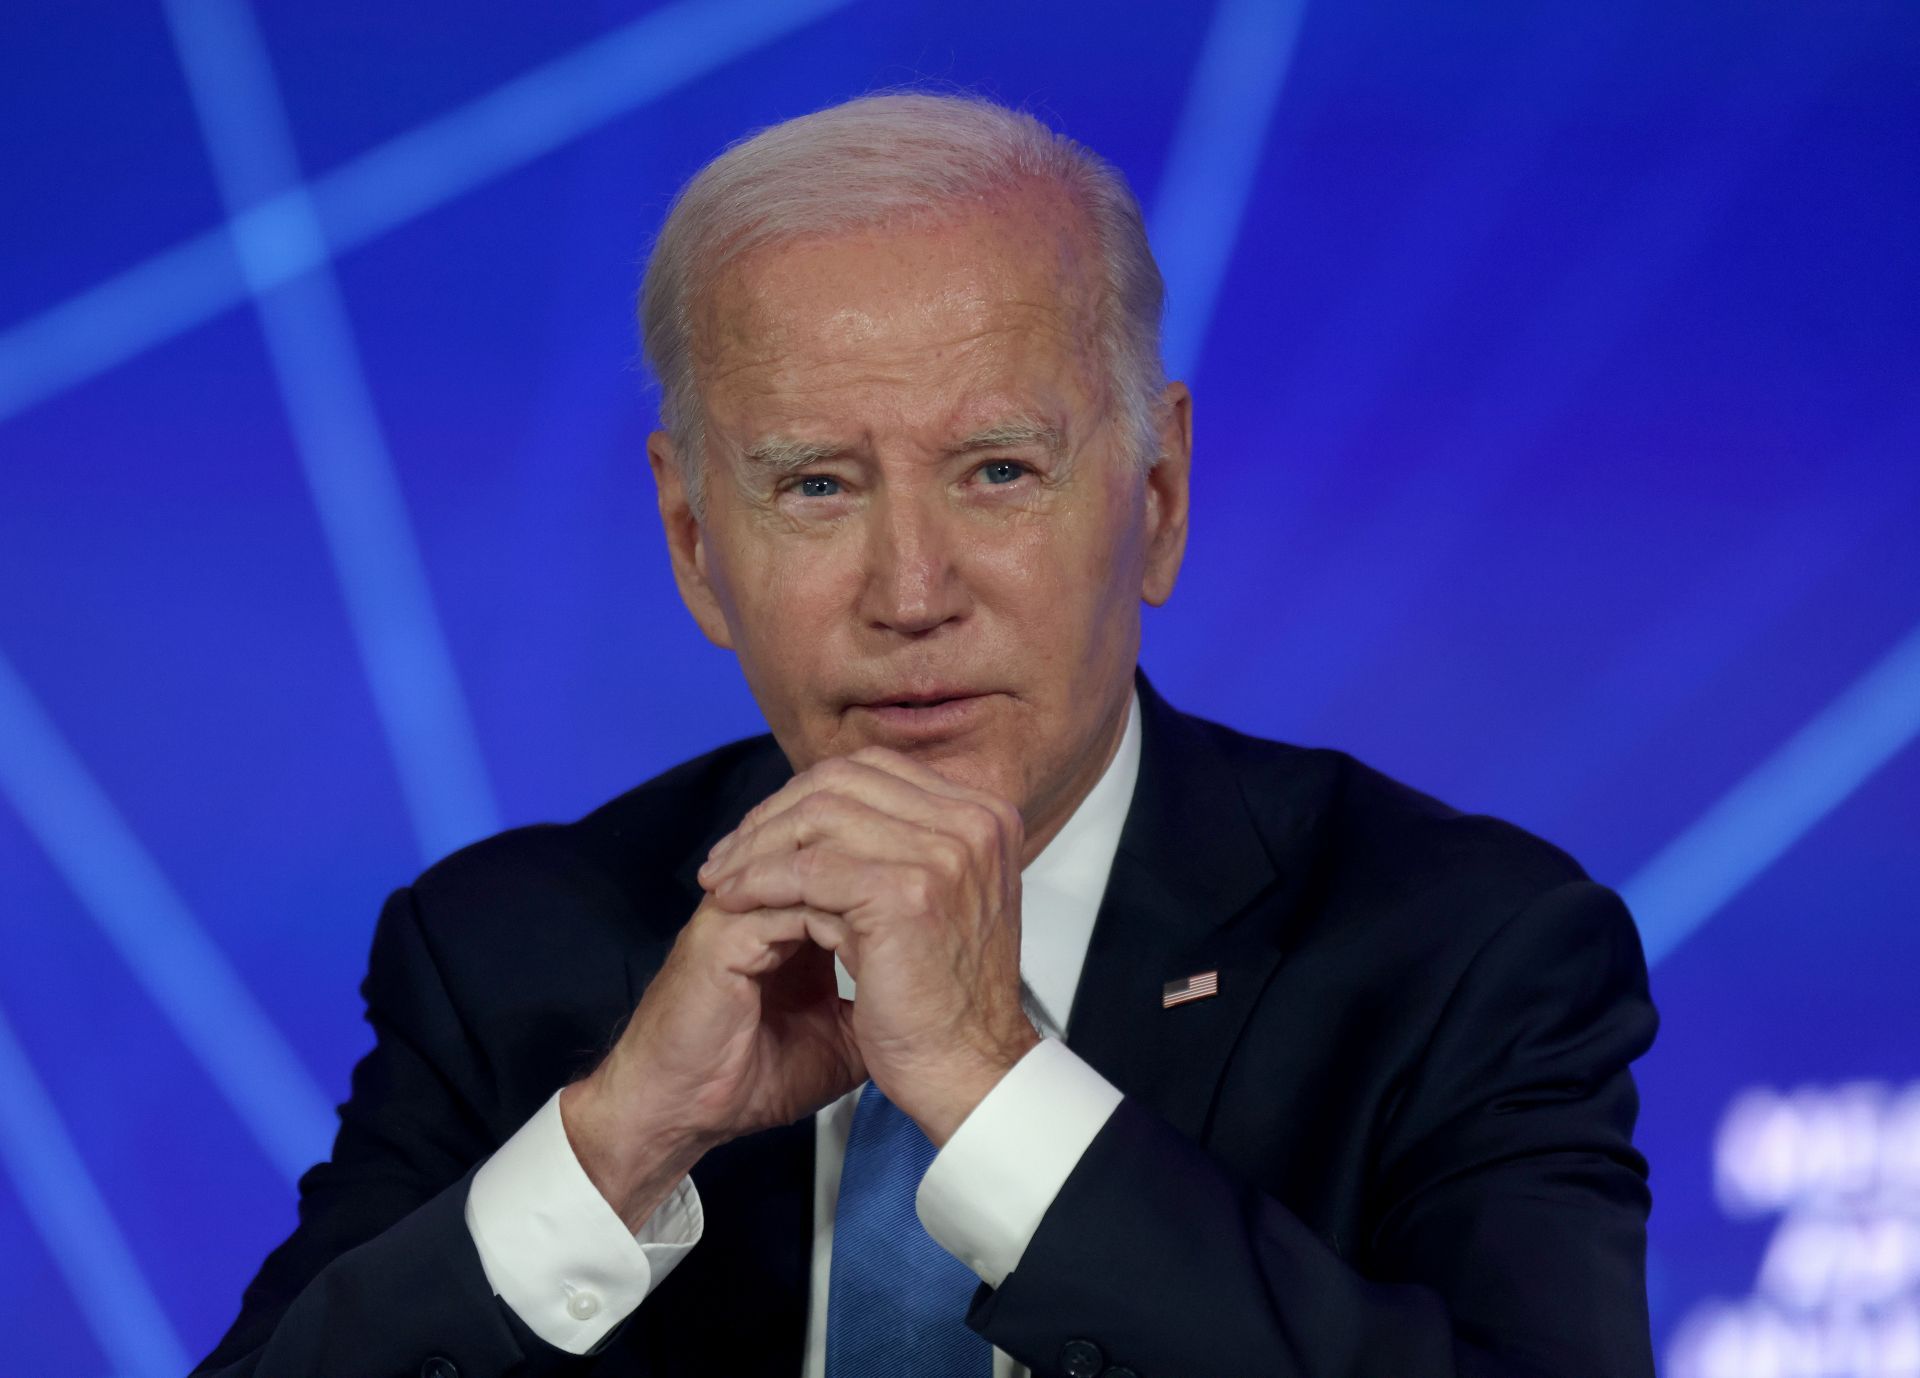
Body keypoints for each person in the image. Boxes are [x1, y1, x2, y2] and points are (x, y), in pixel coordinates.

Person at [194, 91, 1658, 1378]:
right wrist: (615, 1144)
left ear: (1155, 499)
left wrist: (998, 1088)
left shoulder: (1467, 950)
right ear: (695, 538)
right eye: (818, 485)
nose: (911, 592)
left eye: (999, 470)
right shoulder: (509, 958)